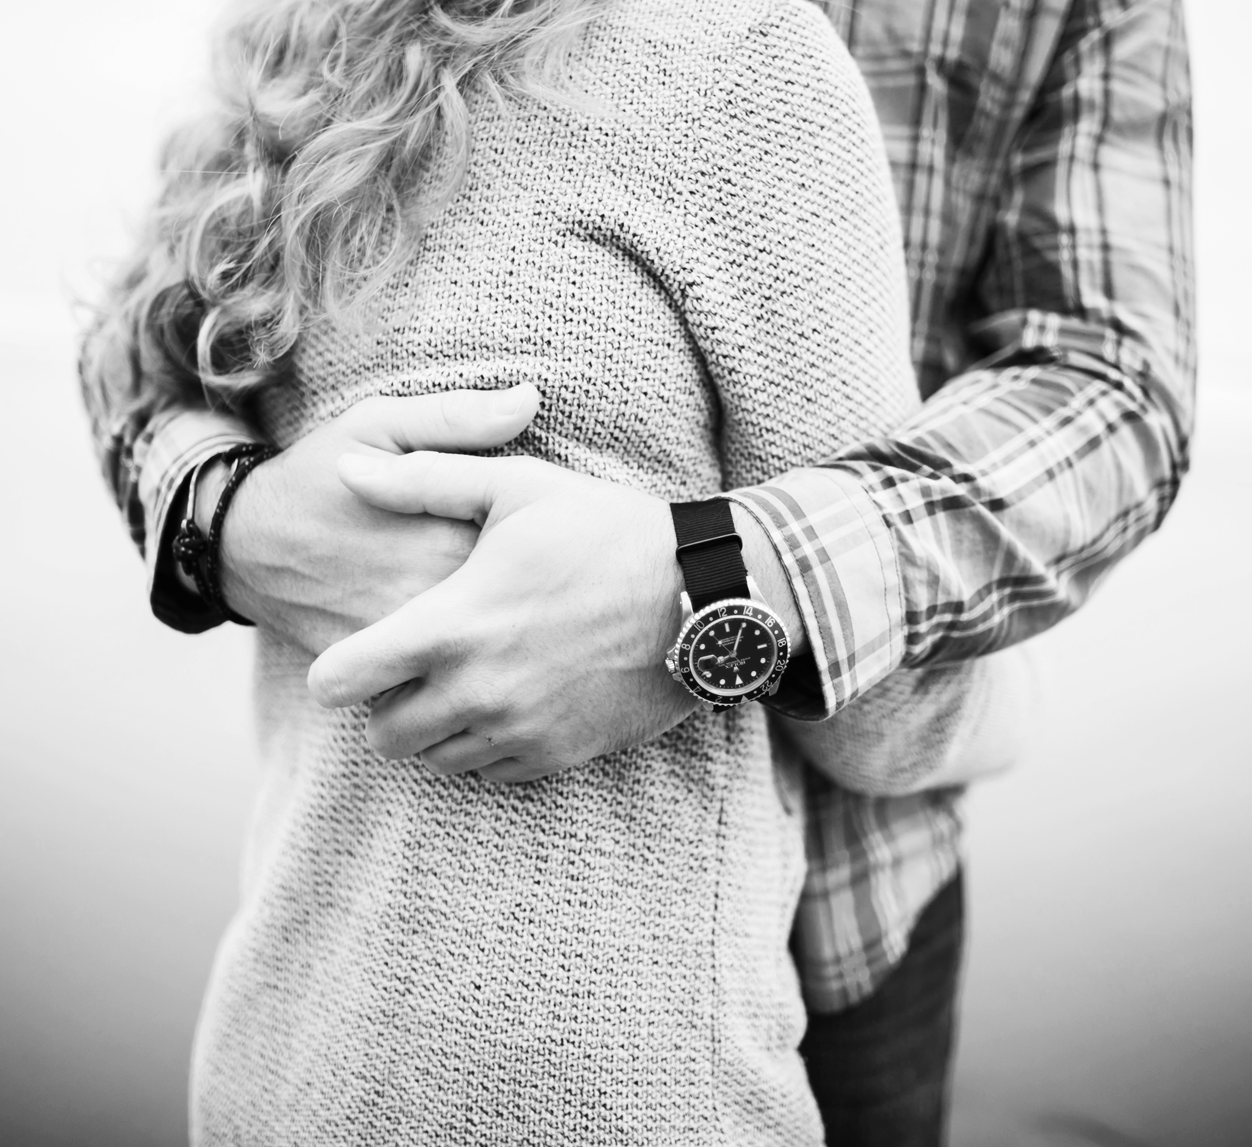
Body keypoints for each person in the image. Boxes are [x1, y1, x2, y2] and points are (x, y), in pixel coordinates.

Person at [81, 0, 1195, 1142]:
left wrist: (711, 580)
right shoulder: (751, 62)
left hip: (294, 1040)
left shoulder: (317, 44)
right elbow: (894, 719)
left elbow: (1112, 375)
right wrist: (226, 518)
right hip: (629, 1078)